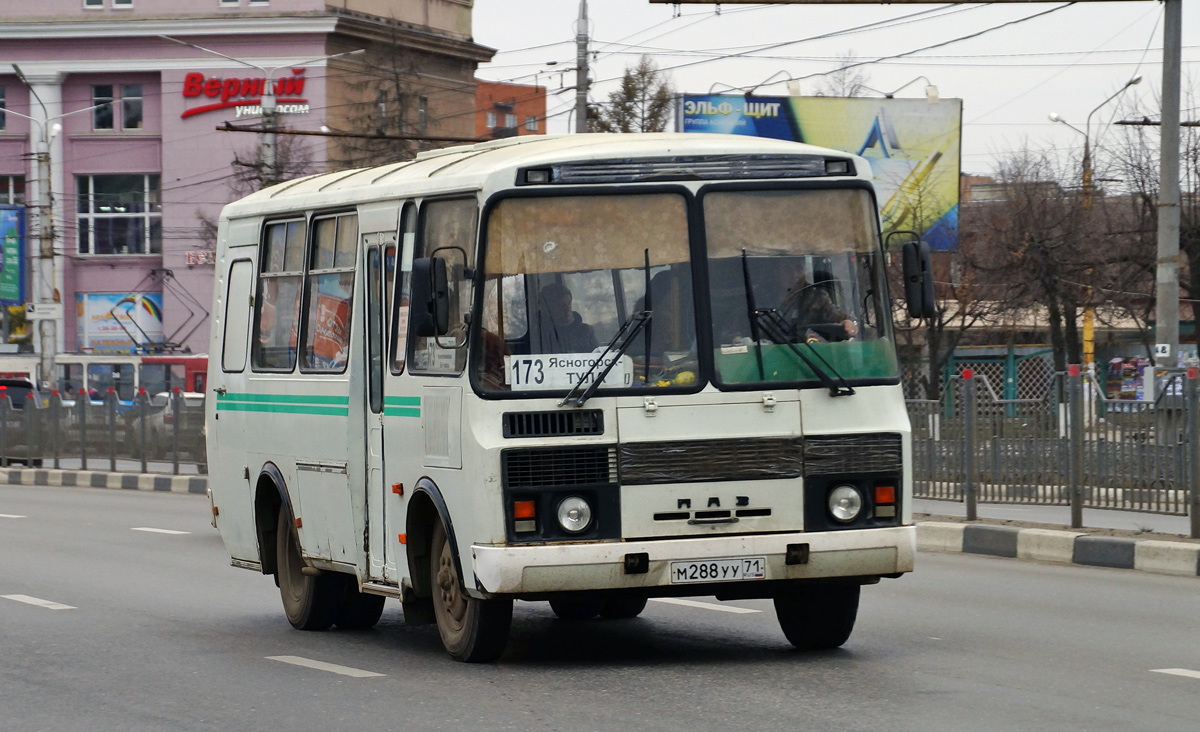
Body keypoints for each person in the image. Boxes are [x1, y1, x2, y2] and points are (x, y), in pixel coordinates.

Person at [780, 269, 857, 342]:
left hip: (807, 350)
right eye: (788, 268)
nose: (795, 273)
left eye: (799, 268)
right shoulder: (770, 296)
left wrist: (847, 321)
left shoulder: (815, 297)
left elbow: (834, 314)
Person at [537, 282, 597, 353]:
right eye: (561, 305)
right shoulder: (540, 334)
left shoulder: (586, 332)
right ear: (549, 308)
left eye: (569, 303)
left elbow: (595, 357)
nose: (567, 309)